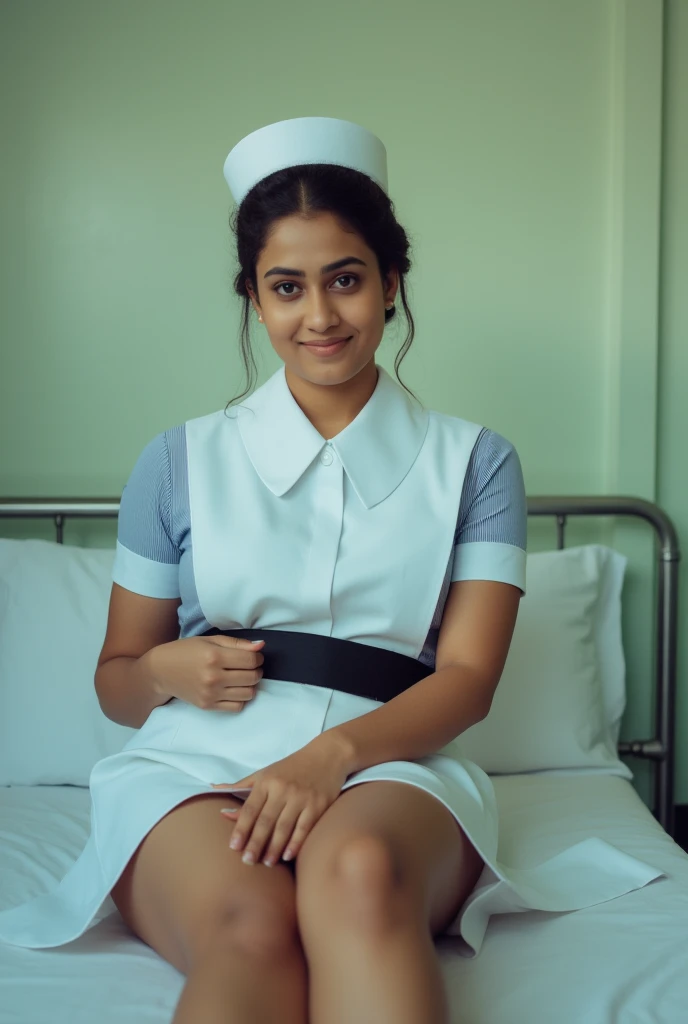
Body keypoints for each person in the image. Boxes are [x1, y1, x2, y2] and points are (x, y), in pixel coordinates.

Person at [0, 117, 664, 1024]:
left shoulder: (476, 464)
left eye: (345, 280)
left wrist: (330, 759)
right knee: (251, 927)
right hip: (195, 768)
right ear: (254, 298)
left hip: (393, 764)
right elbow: (117, 685)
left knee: (358, 878)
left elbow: (468, 682)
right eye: (287, 288)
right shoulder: (178, 461)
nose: (319, 316)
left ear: (391, 283)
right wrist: (163, 671)